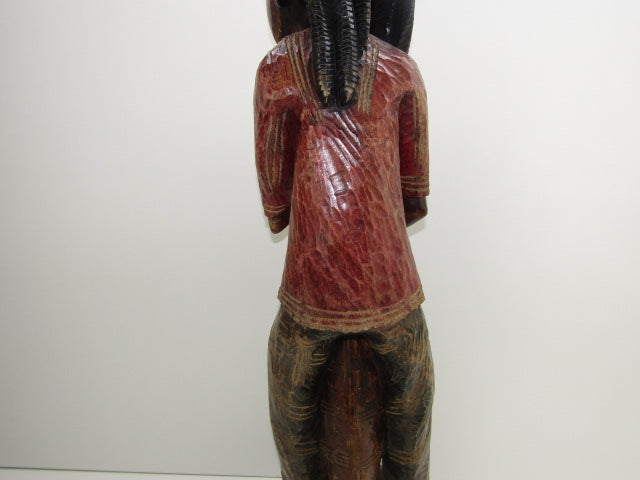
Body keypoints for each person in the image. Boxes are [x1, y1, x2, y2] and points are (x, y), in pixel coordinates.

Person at [255, 1, 434, 478]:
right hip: (391, 287)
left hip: (309, 289)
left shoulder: (277, 67)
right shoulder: (402, 70)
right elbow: (414, 193)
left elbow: (274, 195)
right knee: (413, 395)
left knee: (289, 398)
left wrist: (299, 220)